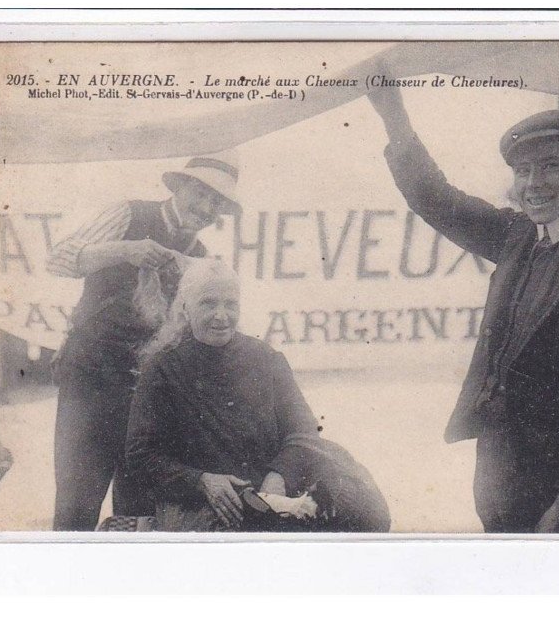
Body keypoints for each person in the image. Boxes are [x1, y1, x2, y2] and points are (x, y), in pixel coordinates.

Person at [368, 84, 559, 533]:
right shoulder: (518, 237)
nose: (533, 184)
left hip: (556, 502)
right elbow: (436, 199)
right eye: (523, 170)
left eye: (551, 166)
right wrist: (393, 117)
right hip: (499, 483)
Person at [47, 152, 241, 530]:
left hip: (143, 392)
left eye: (216, 202)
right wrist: (125, 250)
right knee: (77, 502)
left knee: (137, 508)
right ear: (180, 186)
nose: (206, 208)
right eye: (201, 193)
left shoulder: (200, 257)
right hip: (91, 379)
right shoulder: (128, 214)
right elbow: (57, 259)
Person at [125, 259, 390, 533]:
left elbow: (303, 430)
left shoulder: (265, 359)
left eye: (230, 304)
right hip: (199, 500)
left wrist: (280, 476)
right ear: (185, 308)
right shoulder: (162, 368)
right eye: (208, 303)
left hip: (271, 493)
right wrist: (201, 481)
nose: (221, 315)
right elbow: (140, 455)